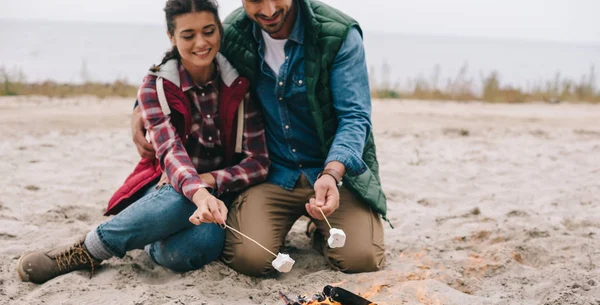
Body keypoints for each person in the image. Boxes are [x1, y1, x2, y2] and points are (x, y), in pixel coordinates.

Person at [17, 0, 269, 284]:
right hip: (167, 187)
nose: (201, 42)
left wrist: (208, 181)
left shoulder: (238, 84)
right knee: (179, 199)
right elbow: (171, 153)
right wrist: (197, 191)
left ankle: (148, 235)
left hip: (219, 192)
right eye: (188, 35)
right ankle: (87, 250)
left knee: (204, 243)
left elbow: (258, 163)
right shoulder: (155, 87)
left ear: (219, 31)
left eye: (209, 31)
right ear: (171, 37)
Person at [133, 0, 387, 277]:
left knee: (361, 259)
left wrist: (333, 172)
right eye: (255, 0)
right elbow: (181, 62)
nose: (268, 10)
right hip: (271, 174)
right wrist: (137, 110)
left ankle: (320, 229)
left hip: (334, 175)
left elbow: (355, 117)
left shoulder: (338, 33)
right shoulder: (230, 32)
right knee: (249, 260)